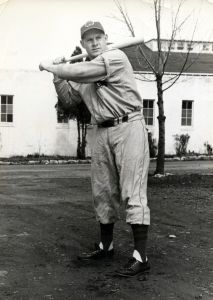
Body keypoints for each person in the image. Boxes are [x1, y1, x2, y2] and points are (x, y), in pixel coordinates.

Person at [39, 20, 150, 277]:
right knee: (102, 191)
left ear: (106, 38)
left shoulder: (115, 57)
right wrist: (57, 77)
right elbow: (68, 100)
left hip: (128, 126)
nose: (95, 42)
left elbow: (78, 73)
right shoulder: (85, 70)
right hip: (101, 131)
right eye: (89, 40)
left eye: (99, 37)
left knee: (133, 191)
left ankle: (141, 256)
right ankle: (106, 246)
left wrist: (51, 66)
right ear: (83, 45)